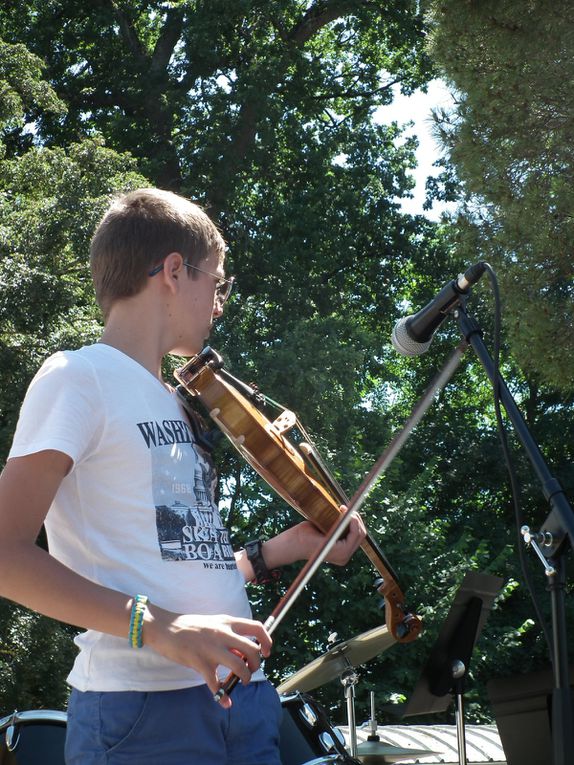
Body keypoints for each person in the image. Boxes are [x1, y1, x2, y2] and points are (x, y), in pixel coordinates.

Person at [0, 188, 366, 764]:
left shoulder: (177, 402)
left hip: (239, 699)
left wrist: (286, 548)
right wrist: (162, 629)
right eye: (216, 283)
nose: (219, 304)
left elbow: (182, 554)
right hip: (141, 712)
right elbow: (4, 554)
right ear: (174, 271)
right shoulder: (78, 376)